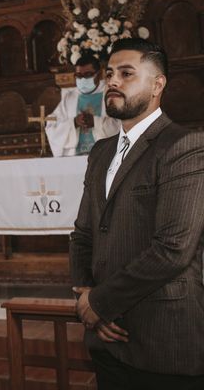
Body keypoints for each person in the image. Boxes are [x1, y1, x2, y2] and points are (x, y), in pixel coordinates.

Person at [70, 38, 204, 389]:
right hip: (105, 337)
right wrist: (88, 300)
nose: (112, 81)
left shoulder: (184, 146)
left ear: (158, 85)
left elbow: (173, 249)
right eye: (110, 73)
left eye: (127, 73)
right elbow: (84, 233)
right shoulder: (100, 152)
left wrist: (99, 302)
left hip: (161, 337)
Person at [46, 55, 119, 156]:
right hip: (75, 157)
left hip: (105, 156)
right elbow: (51, 125)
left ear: (99, 74)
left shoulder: (111, 94)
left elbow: (123, 125)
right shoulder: (70, 98)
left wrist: (95, 122)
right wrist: (73, 123)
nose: (83, 79)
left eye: (88, 74)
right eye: (79, 75)